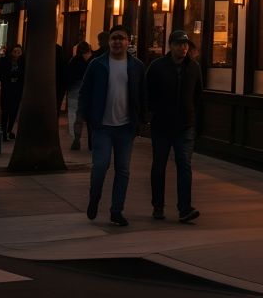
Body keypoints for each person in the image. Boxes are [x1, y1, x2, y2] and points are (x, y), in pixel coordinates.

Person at [79, 25, 145, 226]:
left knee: (123, 170)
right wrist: (87, 117)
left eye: (121, 38)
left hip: (126, 127)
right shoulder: (97, 64)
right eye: (114, 38)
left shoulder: (137, 66)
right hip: (102, 126)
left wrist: (140, 119)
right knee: (100, 166)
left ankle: (117, 210)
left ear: (128, 42)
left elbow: (142, 94)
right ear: (109, 42)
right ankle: (94, 198)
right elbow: (85, 91)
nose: (117, 42)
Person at [147, 29, 203, 223]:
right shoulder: (157, 67)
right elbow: (148, 92)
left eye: (186, 44)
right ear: (170, 46)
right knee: (159, 166)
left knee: (184, 165)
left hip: (185, 125)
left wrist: (196, 122)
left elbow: (198, 95)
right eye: (179, 44)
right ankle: (158, 206)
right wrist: (151, 114)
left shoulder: (193, 67)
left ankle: (185, 208)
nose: (183, 48)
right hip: (161, 125)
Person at [64, 41, 93, 150]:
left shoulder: (74, 61)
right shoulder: (93, 60)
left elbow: (68, 76)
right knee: (91, 117)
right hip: (89, 90)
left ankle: (76, 138)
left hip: (75, 90)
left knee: (76, 116)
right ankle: (91, 141)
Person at [0, 44, 23, 140]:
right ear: (11, 52)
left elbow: (22, 76)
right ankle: (3, 130)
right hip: (7, 89)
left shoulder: (22, 63)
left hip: (16, 90)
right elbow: (1, 73)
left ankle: (9, 130)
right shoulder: (4, 61)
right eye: (15, 51)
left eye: (19, 52)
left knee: (14, 111)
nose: (17, 54)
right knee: (5, 110)